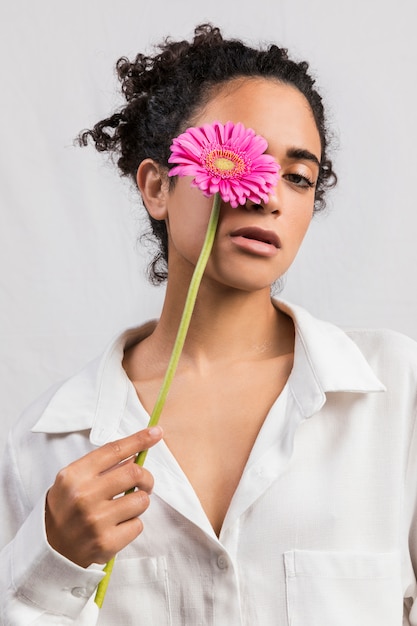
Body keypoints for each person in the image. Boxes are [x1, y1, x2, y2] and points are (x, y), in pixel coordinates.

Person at [1, 23, 416, 625]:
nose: (266, 193)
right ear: (156, 187)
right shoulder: (47, 445)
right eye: (235, 159)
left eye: (298, 176)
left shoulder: (397, 395)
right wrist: (56, 565)